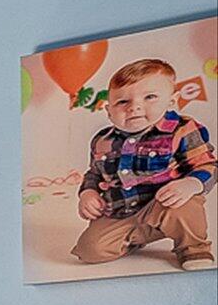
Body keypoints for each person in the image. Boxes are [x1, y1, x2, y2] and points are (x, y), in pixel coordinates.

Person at [73, 58, 213, 269]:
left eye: (150, 97)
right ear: (109, 111)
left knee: (184, 204)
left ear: (172, 101)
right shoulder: (102, 140)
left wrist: (191, 183)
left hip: (166, 204)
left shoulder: (182, 129)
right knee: (90, 250)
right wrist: (88, 193)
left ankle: (193, 248)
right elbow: (94, 174)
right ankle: (139, 235)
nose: (134, 107)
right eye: (123, 102)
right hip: (122, 212)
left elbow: (207, 165)